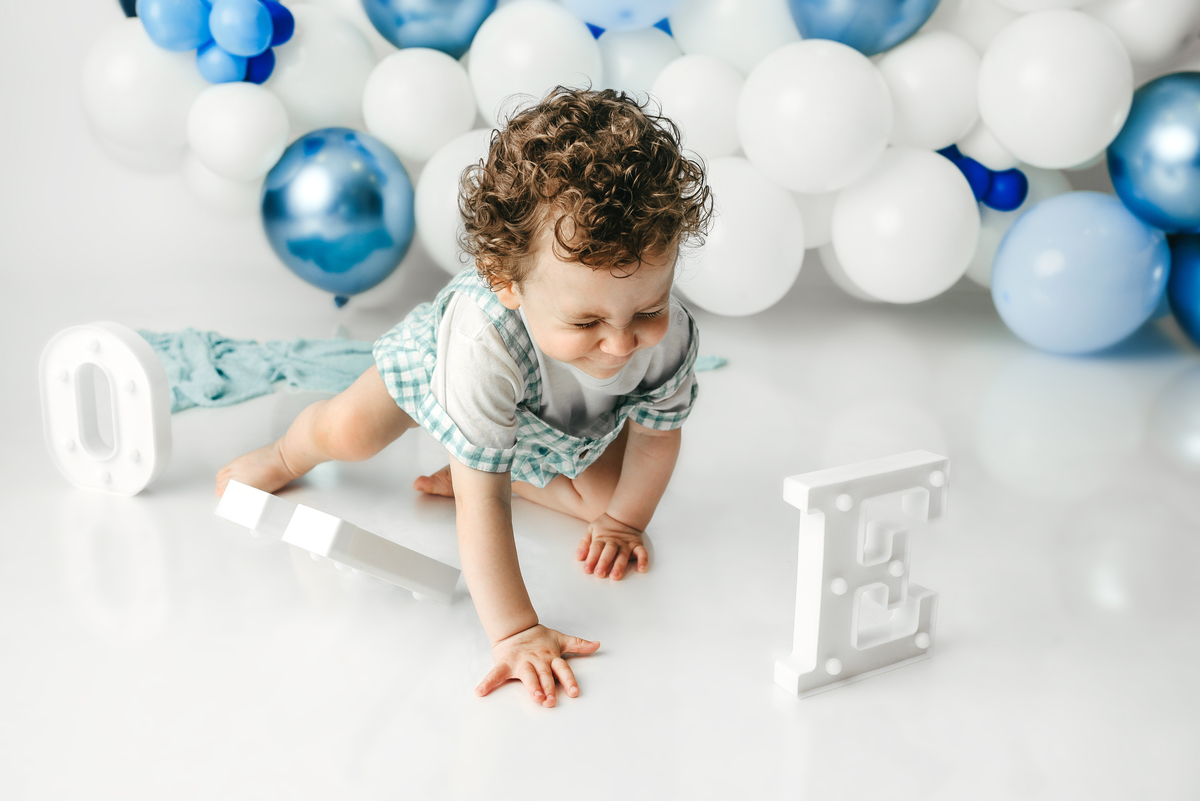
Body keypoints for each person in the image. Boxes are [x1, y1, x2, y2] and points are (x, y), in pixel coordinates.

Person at [216, 86, 712, 708]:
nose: (619, 345)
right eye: (586, 322)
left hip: (554, 421)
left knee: (602, 500)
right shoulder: (483, 340)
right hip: (440, 369)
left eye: (647, 309)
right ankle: (286, 454)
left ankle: (497, 469)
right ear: (507, 282)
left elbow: (657, 436)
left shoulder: (670, 336)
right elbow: (483, 508)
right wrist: (516, 632)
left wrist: (622, 522)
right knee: (349, 433)